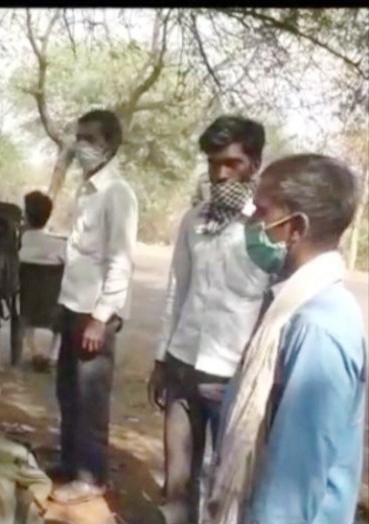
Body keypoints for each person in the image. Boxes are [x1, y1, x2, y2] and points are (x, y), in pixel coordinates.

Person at [207, 154, 367, 524]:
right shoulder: (290, 306)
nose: (250, 222)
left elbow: (291, 492)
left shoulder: (318, 327)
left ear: (295, 227)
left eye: (261, 212)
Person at [147, 116, 269, 524]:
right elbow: (176, 290)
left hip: (232, 375)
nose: (220, 174)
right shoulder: (193, 220)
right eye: (213, 163)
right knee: (177, 479)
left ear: (254, 164)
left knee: (229, 483)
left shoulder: (269, 228)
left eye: (231, 163)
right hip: (183, 364)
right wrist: (161, 359)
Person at [49, 109, 139, 504]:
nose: (82, 146)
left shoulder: (117, 193)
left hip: (93, 314)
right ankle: (70, 463)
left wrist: (101, 318)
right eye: (79, 137)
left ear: (110, 146)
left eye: (91, 139)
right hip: (73, 306)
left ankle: (91, 475)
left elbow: (120, 260)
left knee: (91, 397)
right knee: (68, 391)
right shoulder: (86, 191)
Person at [19, 190, 65, 369]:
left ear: (26, 216)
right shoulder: (60, 244)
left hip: (27, 303)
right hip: (54, 304)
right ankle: (53, 354)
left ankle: (33, 350)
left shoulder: (21, 242)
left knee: (24, 305)